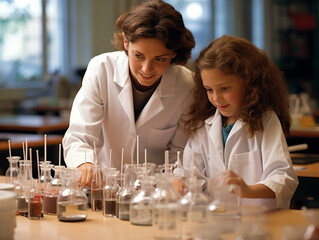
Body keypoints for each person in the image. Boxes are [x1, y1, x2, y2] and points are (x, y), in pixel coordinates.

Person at [62, 0, 195, 187]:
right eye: (138, 55)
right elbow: (80, 135)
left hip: (155, 192)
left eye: (160, 59)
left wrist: (173, 181)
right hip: (104, 187)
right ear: (126, 42)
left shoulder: (186, 85)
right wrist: (85, 163)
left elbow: (180, 152)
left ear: (173, 53)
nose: (147, 69)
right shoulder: (102, 69)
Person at [182, 35, 298, 209]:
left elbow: (282, 177)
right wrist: (180, 183)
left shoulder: (265, 120)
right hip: (215, 221)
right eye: (209, 89)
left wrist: (248, 191)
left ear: (249, 83)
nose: (216, 98)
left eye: (225, 88)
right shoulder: (203, 125)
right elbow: (192, 177)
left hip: (258, 221)